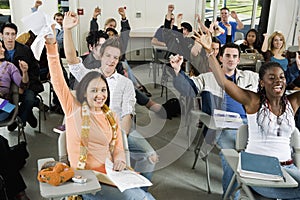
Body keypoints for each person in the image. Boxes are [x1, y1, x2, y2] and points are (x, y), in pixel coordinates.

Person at [45, 24, 155, 200]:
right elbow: (58, 80)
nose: (99, 95)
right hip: (87, 180)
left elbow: (118, 142)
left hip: (110, 174)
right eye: (94, 90)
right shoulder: (74, 109)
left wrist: (119, 158)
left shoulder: (109, 116)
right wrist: (51, 47)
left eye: (103, 90)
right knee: (142, 198)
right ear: (84, 92)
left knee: (142, 192)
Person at [194, 30, 300, 200]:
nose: (278, 81)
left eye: (281, 77)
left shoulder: (291, 103)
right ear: (262, 83)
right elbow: (223, 82)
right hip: (260, 170)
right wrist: (209, 52)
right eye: (271, 78)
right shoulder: (254, 101)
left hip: (288, 167)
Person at [170, 42, 258, 199]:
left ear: (239, 60)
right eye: (227, 56)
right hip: (223, 127)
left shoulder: (251, 77)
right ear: (220, 58)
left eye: (234, 56)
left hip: (250, 124)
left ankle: (259, 191)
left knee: (266, 150)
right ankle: (231, 196)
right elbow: (187, 88)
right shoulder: (208, 78)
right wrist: (178, 71)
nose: (231, 59)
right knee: (232, 154)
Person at [0, 22, 44, 131]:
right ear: (1, 35)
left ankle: (20, 120)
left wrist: (25, 75)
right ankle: (24, 114)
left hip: (25, 84)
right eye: (7, 34)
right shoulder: (0, 49)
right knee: (9, 105)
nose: (10, 38)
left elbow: (34, 71)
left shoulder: (25, 50)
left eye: (13, 34)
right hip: (6, 91)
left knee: (29, 99)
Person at [0, 40, 29, 121]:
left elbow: (23, 87)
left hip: (5, 107)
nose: (3, 50)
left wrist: (24, 72)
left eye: (2, 47)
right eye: (0, 48)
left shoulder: (9, 66)